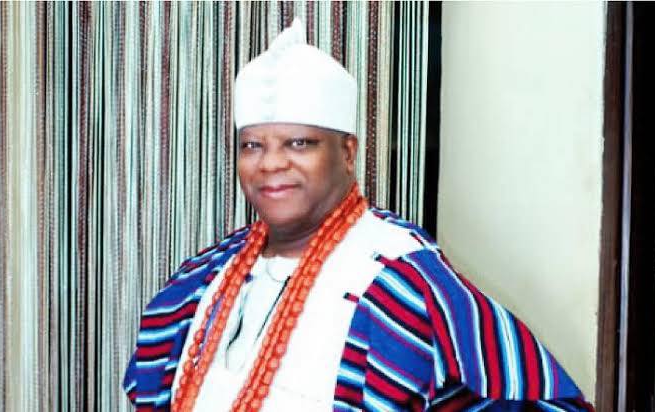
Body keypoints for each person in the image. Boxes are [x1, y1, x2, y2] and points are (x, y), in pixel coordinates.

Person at [123, 19, 594, 412]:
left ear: (348, 153)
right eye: (252, 146)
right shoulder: (206, 275)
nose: (270, 164)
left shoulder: (398, 275)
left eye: (299, 143)